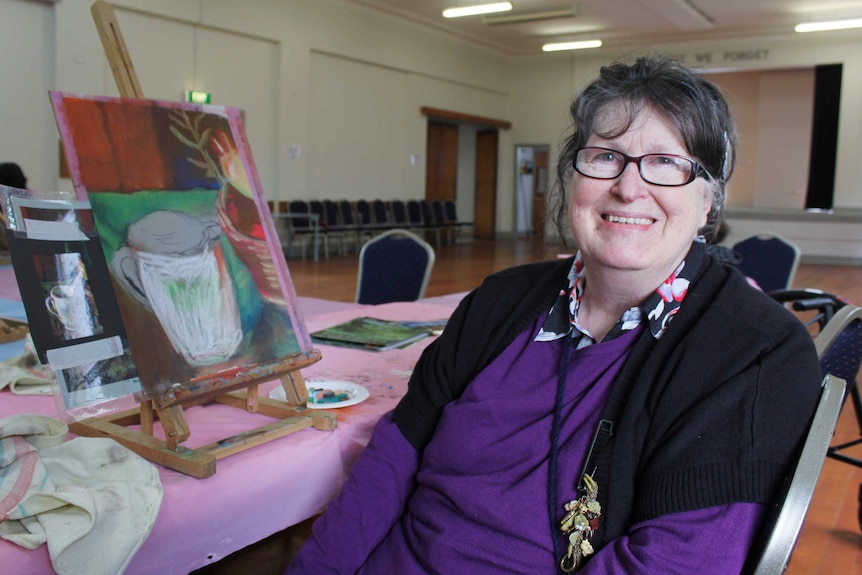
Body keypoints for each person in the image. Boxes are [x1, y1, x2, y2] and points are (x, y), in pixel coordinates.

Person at [287, 55, 821, 574]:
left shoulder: (753, 351)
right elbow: (389, 464)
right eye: (606, 156)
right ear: (571, 180)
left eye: (667, 163)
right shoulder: (499, 300)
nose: (629, 187)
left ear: (710, 201)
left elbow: (682, 559)